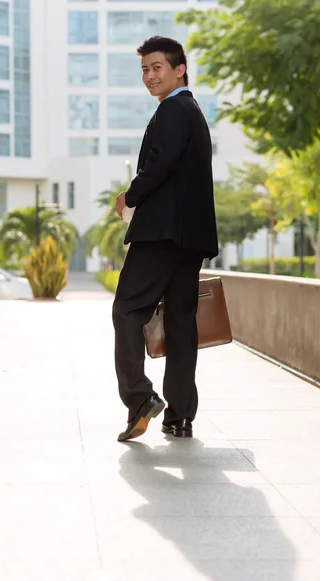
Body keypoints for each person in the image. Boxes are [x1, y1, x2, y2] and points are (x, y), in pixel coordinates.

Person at [113, 36, 218, 442]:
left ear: (180, 70)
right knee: (179, 322)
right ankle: (180, 415)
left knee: (126, 311)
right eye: (144, 69)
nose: (149, 76)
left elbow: (161, 163)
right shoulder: (191, 111)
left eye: (157, 67)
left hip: (160, 235)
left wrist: (130, 196)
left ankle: (140, 399)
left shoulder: (174, 108)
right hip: (189, 239)